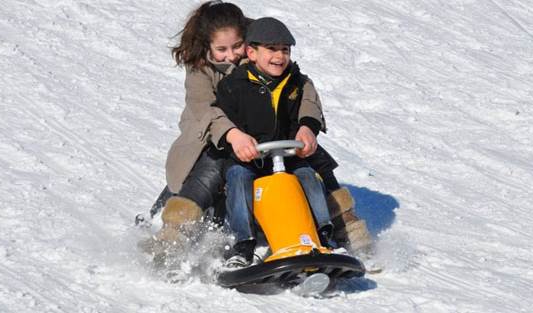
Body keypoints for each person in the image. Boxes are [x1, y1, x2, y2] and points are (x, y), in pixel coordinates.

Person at [149, 1, 372, 256]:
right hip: (213, 135)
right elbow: (205, 111)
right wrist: (233, 135)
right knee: (212, 167)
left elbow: (300, 87)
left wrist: (307, 126)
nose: (231, 55)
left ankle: (346, 226)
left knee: (312, 157)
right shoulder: (201, 69)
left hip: (267, 134)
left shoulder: (263, 49)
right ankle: (173, 237)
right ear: (207, 46)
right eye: (221, 49)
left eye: (236, 46)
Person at [215, 17, 341, 268]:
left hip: (287, 155)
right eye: (271, 49)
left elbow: (308, 112)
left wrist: (306, 131)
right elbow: (224, 122)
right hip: (249, 157)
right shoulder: (233, 85)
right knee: (238, 177)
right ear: (251, 52)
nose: (279, 56)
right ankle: (243, 244)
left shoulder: (296, 82)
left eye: (285, 50)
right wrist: (238, 144)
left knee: (308, 175)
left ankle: (324, 236)